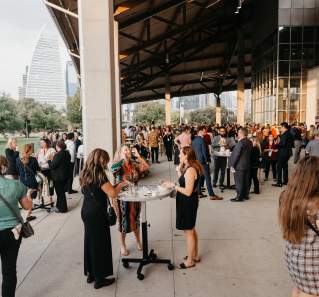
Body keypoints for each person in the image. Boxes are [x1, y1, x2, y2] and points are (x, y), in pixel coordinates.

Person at [80, 149, 126, 289]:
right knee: (100, 245)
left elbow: (99, 190)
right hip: (96, 213)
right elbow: (112, 193)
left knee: (90, 243)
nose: (107, 162)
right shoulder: (99, 175)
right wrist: (120, 185)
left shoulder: (85, 173)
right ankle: (100, 279)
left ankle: (91, 274)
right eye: (105, 160)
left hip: (86, 211)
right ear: (101, 160)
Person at [278, 156, 319, 297]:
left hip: (294, 259)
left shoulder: (286, 198)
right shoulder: (315, 206)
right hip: (312, 265)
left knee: (299, 290)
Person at [162, 147, 203, 269]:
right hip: (188, 201)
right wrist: (179, 170)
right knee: (191, 229)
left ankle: (190, 260)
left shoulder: (191, 170)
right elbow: (184, 182)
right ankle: (194, 255)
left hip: (188, 202)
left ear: (186, 156)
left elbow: (188, 191)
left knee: (189, 231)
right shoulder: (189, 168)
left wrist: (173, 185)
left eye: (180, 154)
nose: (179, 156)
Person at [0, 155, 33, 297]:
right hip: (12, 232)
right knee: (9, 271)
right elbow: (27, 207)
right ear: (3, 168)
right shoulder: (16, 185)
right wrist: (30, 194)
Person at [111, 145, 149, 256]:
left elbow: (146, 168)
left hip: (135, 196)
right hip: (122, 197)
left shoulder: (133, 164)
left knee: (136, 219)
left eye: (129, 149)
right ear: (120, 152)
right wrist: (122, 158)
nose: (128, 151)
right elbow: (112, 170)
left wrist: (138, 156)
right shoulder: (118, 164)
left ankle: (138, 241)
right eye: (125, 150)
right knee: (124, 222)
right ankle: (122, 245)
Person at [192, 126, 222, 201]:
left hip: (197, 161)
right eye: (204, 130)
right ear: (200, 131)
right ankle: (211, 195)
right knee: (208, 178)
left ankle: (198, 193)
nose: (205, 131)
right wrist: (207, 160)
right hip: (203, 162)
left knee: (199, 177)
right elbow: (204, 152)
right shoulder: (202, 140)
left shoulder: (194, 140)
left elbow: (193, 151)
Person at [16, 144, 41, 222]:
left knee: (26, 196)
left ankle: (27, 212)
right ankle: (28, 215)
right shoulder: (33, 159)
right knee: (30, 196)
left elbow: (17, 170)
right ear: (30, 150)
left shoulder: (18, 159)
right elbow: (37, 169)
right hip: (31, 180)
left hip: (23, 180)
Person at [229, 127, 252, 202]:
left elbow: (236, 155)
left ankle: (239, 197)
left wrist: (232, 165)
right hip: (247, 164)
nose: (237, 134)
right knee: (246, 181)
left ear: (241, 133)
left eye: (238, 132)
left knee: (239, 182)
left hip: (239, 165)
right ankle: (245, 195)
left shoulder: (240, 143)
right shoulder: (249, 142)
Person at [48, 140, 71, 213]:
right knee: (60, 193)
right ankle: (59, 206)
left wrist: (49, 160)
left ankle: (62, 208)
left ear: (58, 146)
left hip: (58, 177)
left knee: (60, 193)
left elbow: (52, 166)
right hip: (64, 175)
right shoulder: (67, 153)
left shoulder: (58, 154)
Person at [273, 122, 293, 187]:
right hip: (287, 153)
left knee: (279, 167)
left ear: (284, 127)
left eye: (281, 127)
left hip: (283, 153)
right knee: (285, 167)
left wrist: (276, 145)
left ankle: (279, 182)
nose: (280, 129)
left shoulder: (285, 134)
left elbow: (283, 143)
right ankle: (285, 181)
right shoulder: (289, 133)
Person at [37, 138, 56, 207]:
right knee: (41, 184)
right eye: (40, 143)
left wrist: (47, 160)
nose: (41, 144)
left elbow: (53, 160)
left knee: (50, 184)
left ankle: (51, 198)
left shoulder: (52, 150)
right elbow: (39, 160)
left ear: (47, 143)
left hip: (49, 170)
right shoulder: (40, 151)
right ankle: (41, 200)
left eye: (43, 142)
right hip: (41, 170)